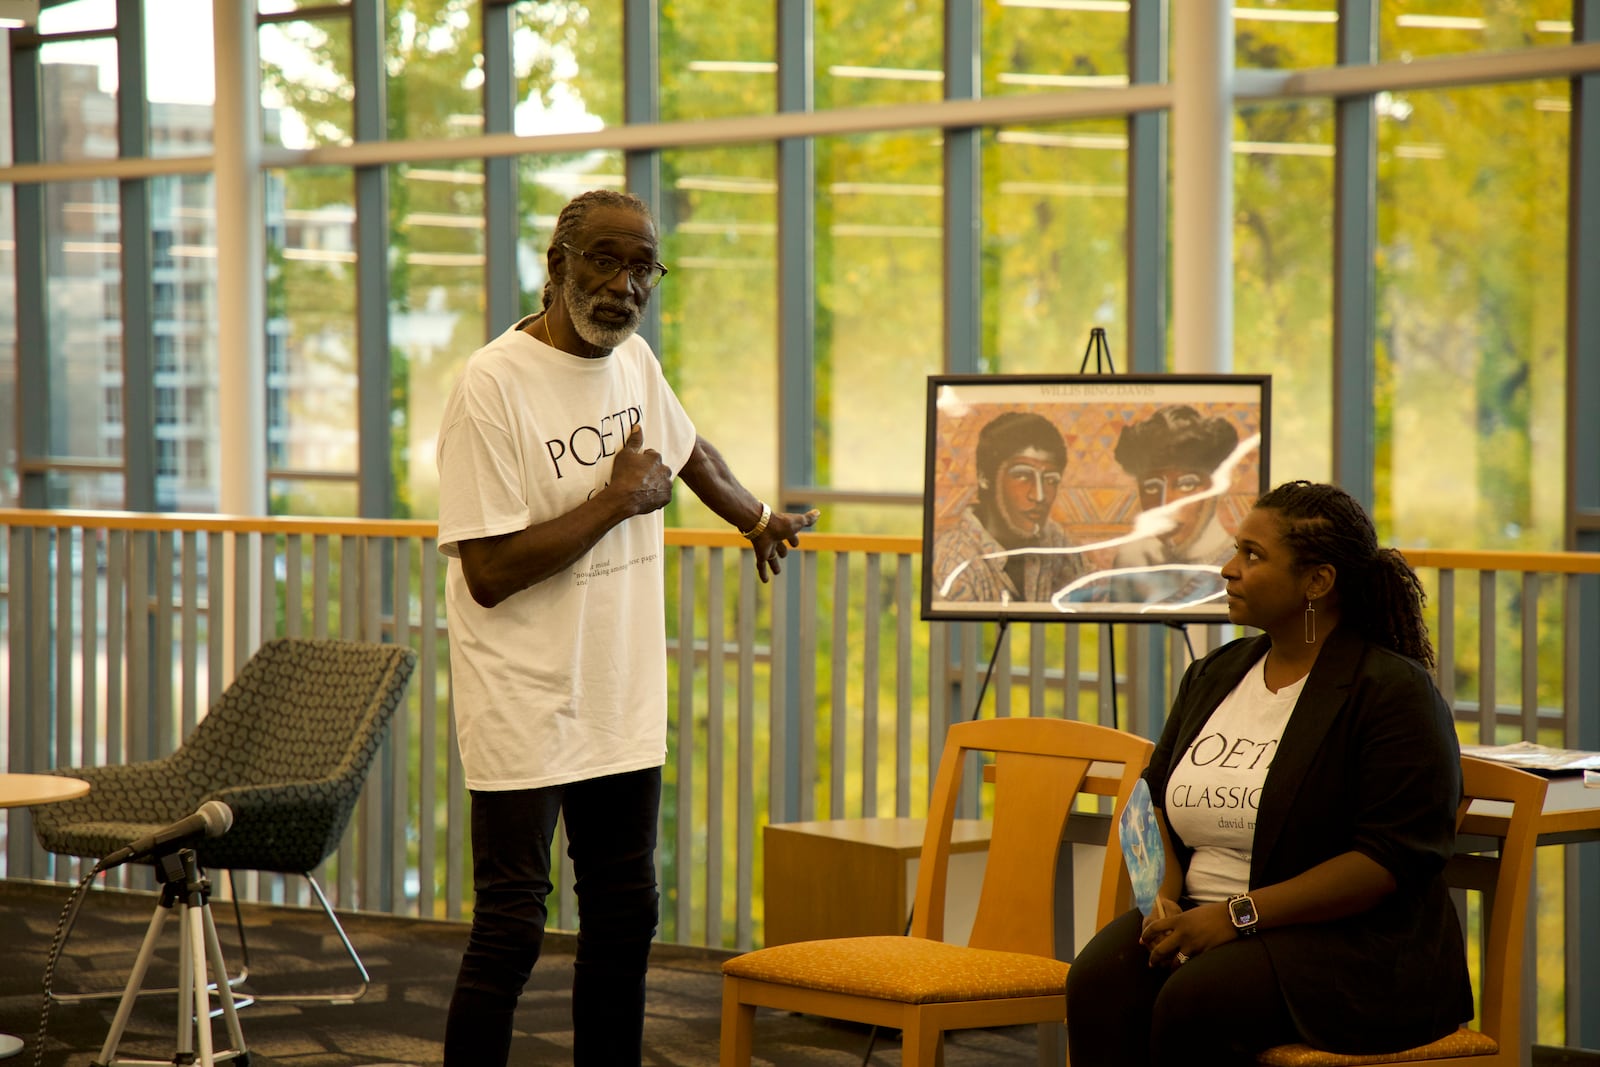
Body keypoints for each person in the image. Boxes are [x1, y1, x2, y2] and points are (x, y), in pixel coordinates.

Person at [434, 188, 818, 1067]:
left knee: (624, 918)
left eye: (643, 266)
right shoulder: (492, 383)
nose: (625, 285)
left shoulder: (634, 360)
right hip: (525, 699)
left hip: (620, 696)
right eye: (606, 260)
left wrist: (756, 518)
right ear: (556, 265)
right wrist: (615, 502)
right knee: (511, 931)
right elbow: (487, 573)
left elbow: (688, 454)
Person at [1065, 480, 1471, 1066]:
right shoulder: (1216, 673)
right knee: (1099, 981)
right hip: (1201, 915)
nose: (1229, 569)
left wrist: (1235, 917)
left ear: (1317, 582)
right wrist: (1164, 902)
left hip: (1343, 944)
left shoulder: (1390, 691)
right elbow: (1152, 800)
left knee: (1196, 1000)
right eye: (1236, 550)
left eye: (1252, 556)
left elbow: (1388, 859)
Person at [930, 410, 1086, 604]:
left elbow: (1094, 596)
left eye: (1050, 480)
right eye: (1022, 476)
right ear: (985, 477)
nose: (1039, 496)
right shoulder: (954, 561)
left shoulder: (1054, 540)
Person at [1105, 404, 1245, 606]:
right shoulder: (1131, 561)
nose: (1165, 504)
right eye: (1152, 488)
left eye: (1186, 484)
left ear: (1214, 487)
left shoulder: (1237, 565)